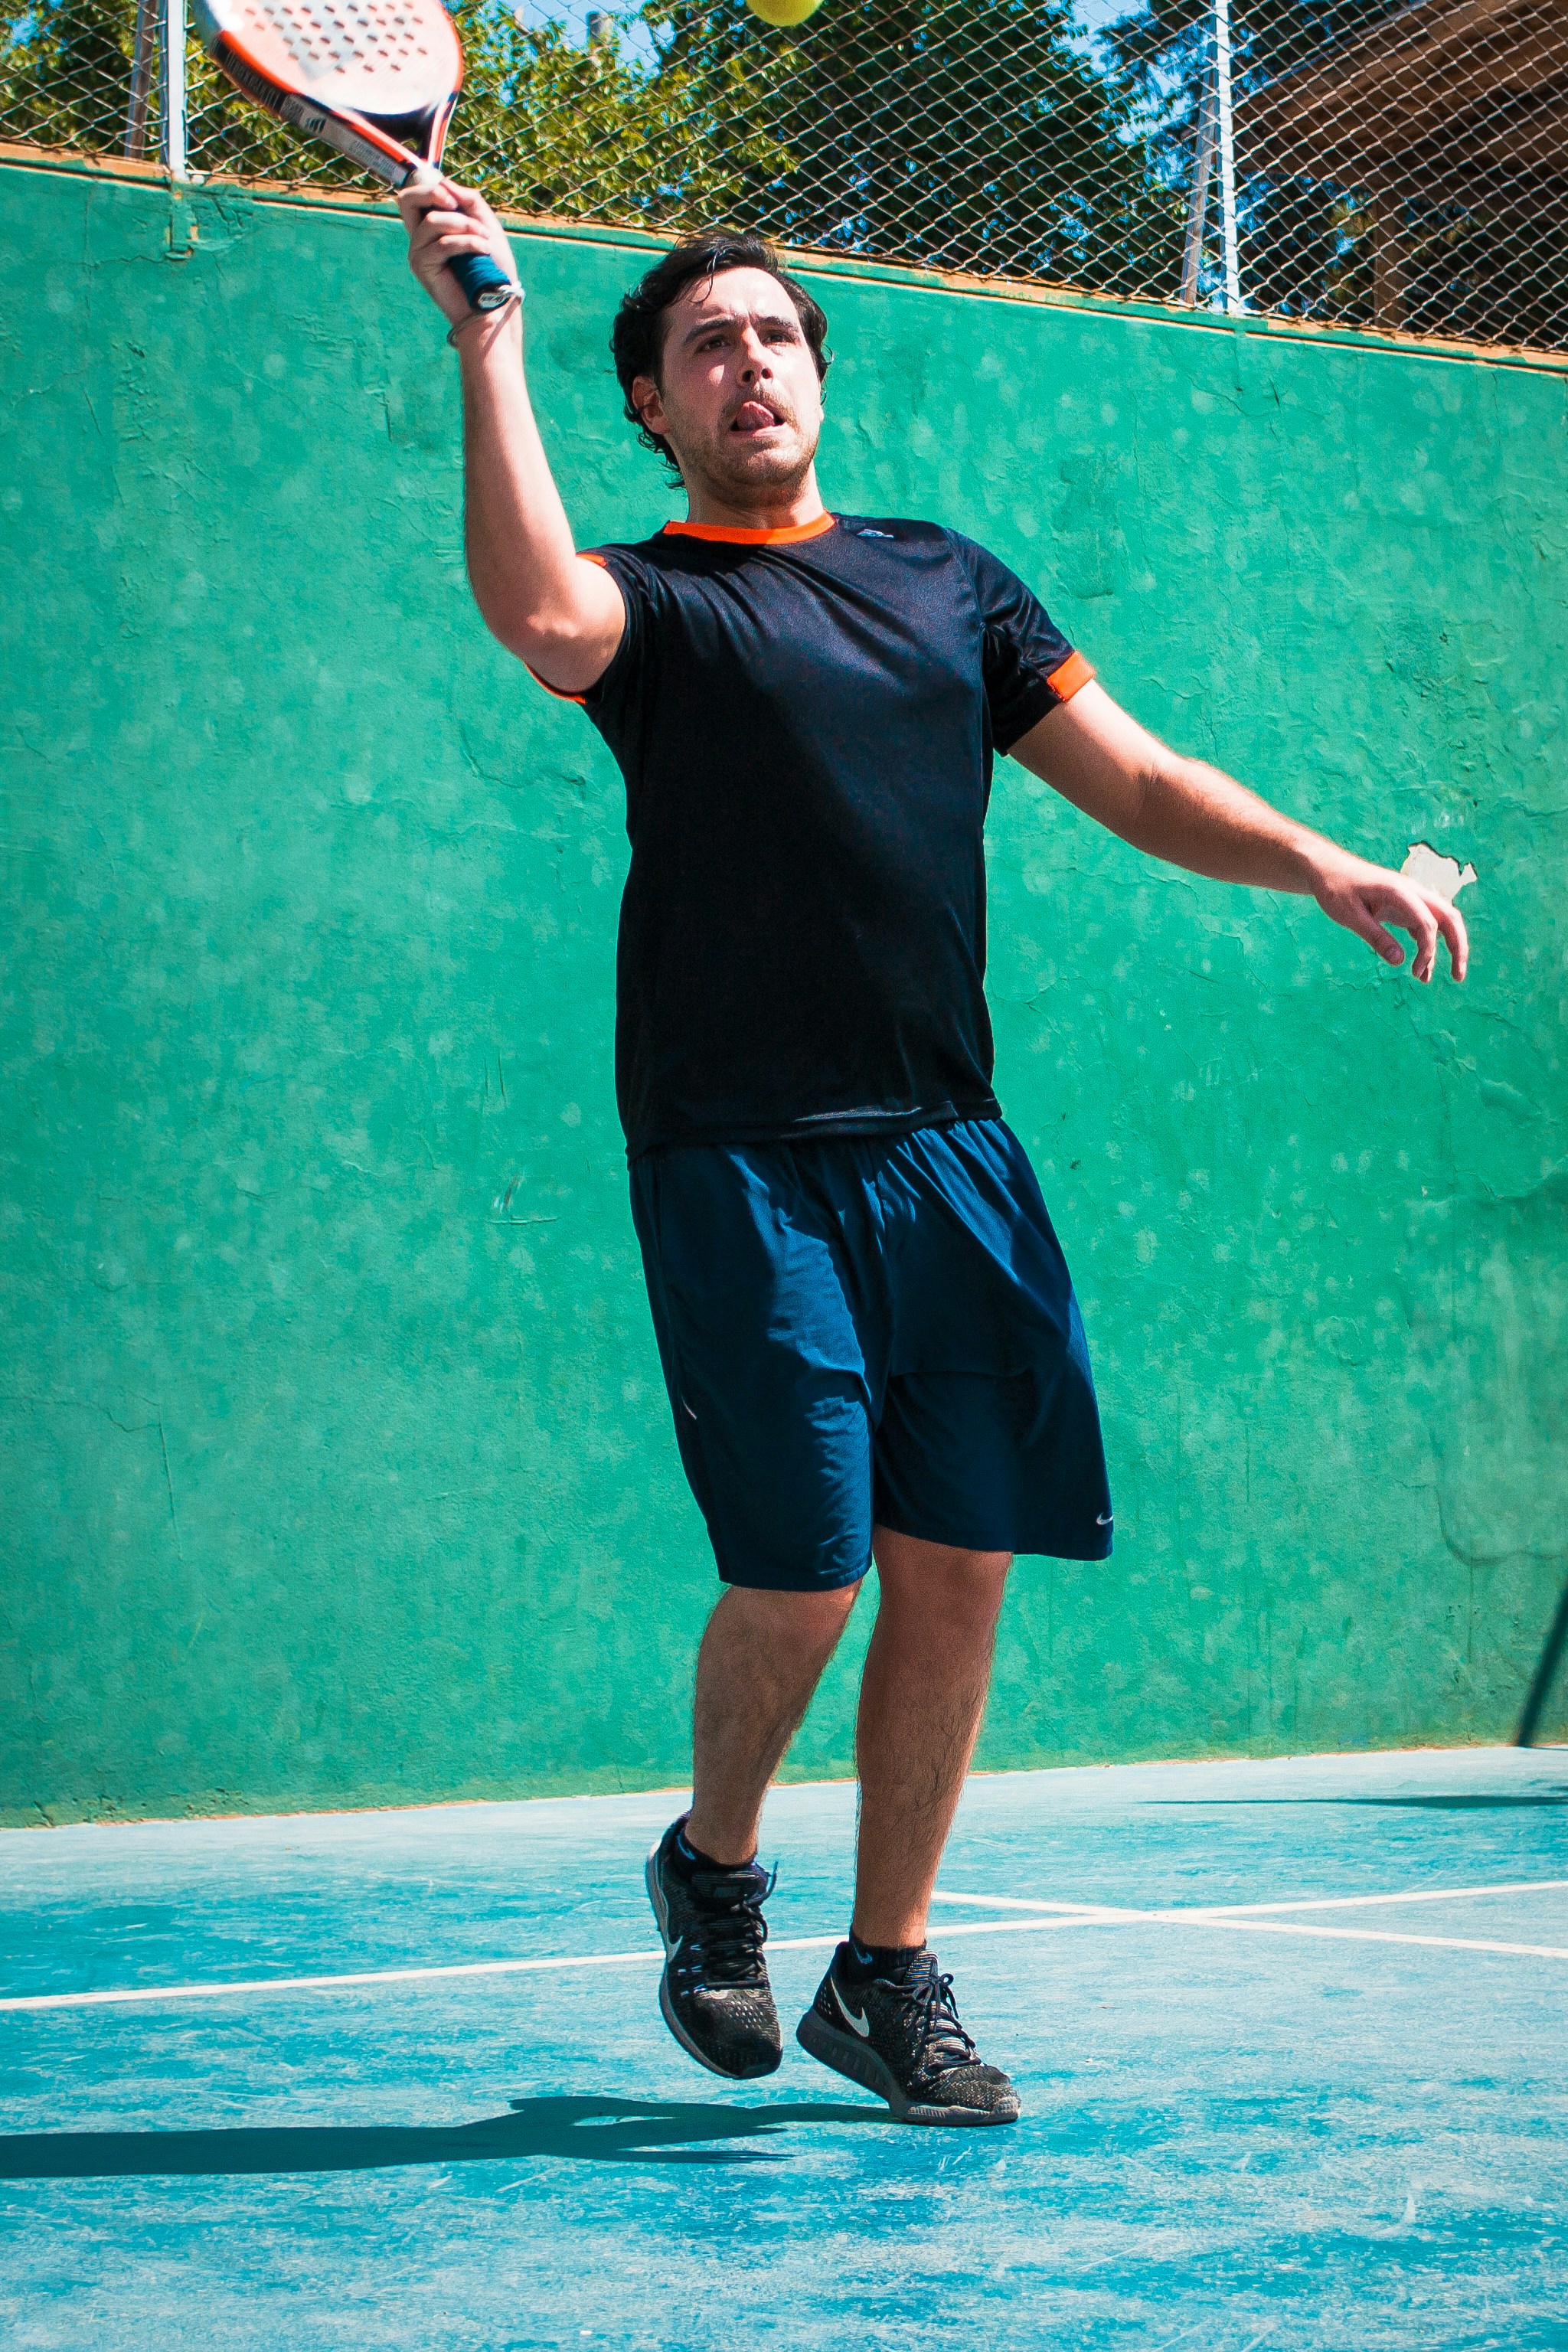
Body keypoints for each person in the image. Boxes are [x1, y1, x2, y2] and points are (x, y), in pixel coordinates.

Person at [397, 188, 1468, 2128]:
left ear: (817, 378)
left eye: (775, 336)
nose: (751, 364)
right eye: (707, 346)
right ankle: (716, 1869)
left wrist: (1320, 862)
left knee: (959, 1567)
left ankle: (883, 1975)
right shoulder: (653, 606)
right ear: (651, 403)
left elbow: (1135, 778)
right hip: (740, 1160)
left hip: (952, 1158)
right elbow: (537, 613)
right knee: (803, 1578)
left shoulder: (946, 584)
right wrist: (487, 339)